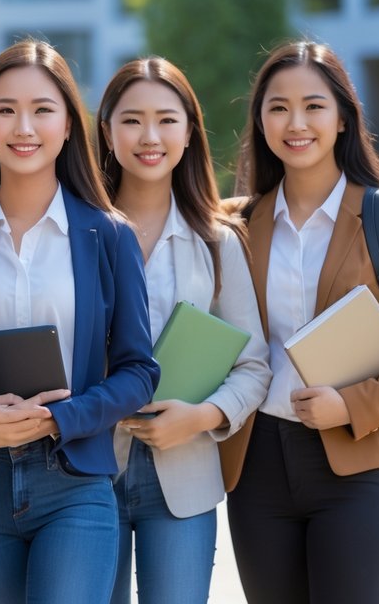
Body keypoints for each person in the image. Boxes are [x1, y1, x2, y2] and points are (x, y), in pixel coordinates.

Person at [223, 39, 379, 604]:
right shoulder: (236, 225)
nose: (295, 122)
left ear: (343, 119)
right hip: (256, 469)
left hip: (352, 467)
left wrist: (351, 404)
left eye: (313, 105)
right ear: (260, 120)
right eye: (277, 107)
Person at [0, 41, 159, 604]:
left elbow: (137, 371)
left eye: (42, 109)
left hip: (73, 480)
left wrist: (61, 418)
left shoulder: (109, 235)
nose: (23, 126)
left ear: (67, 126)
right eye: (5, 109)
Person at [96, 57, 270, 604]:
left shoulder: (219, 242)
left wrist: (203, 416)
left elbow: (254, 365)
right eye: (132, 120)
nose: (150, 136)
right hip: (87, 475)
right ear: (106, 130)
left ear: (190, 130)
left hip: (185, 475)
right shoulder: (79, 232)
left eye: (167, 119)